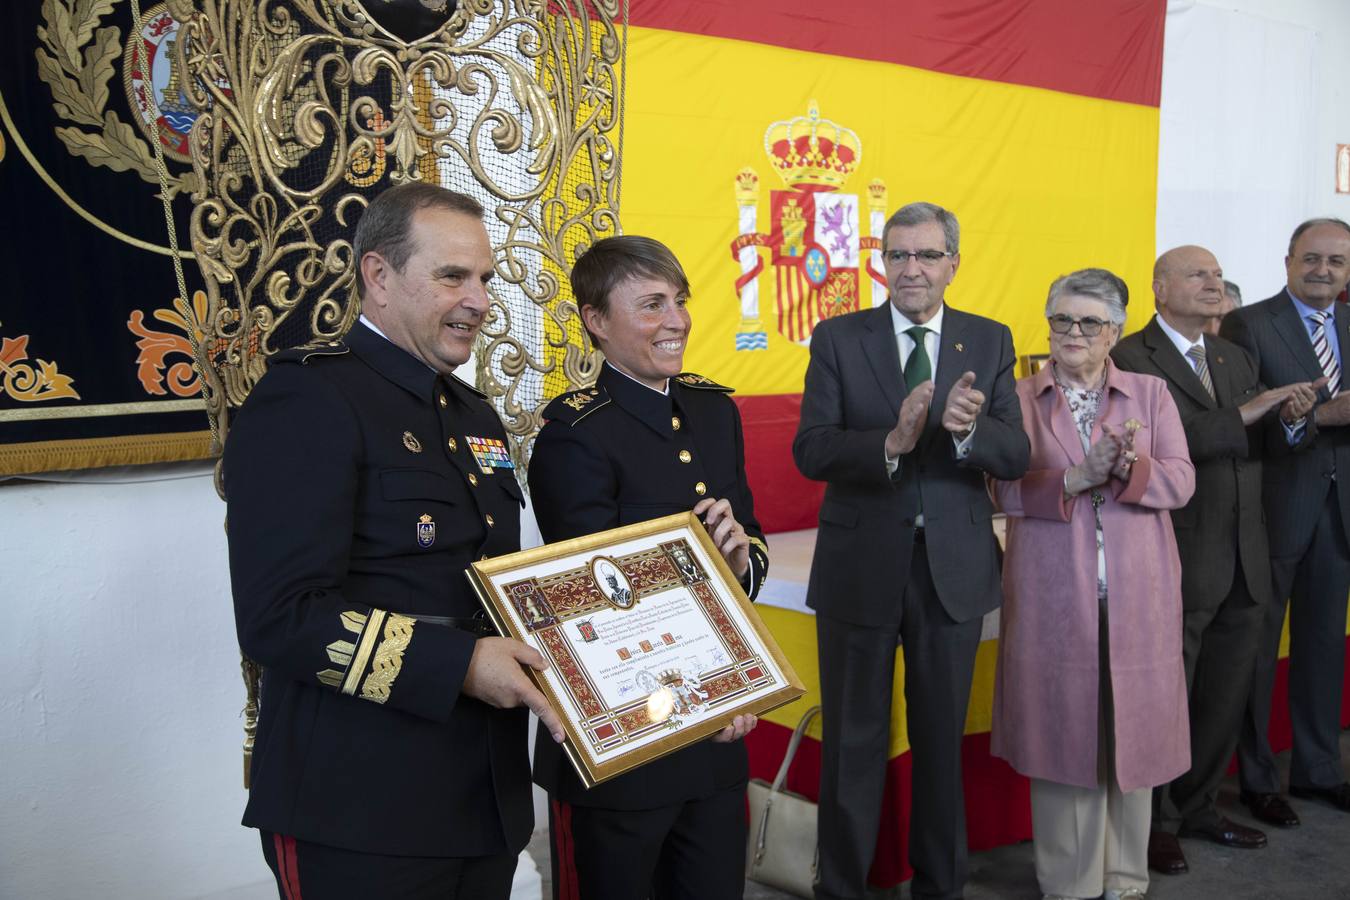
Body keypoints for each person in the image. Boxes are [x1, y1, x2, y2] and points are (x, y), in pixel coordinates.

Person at [224, 183, 565, 899]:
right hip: (360, 807)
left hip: (482, 799)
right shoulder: (309, 399)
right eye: (453, 276)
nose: (479, 300)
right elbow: (280, 617)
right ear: (378, 276)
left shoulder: (473, 415)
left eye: (485, 279)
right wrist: (462, 665)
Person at [794, 202, 1030, 900]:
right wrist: (890, 443)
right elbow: (812, 448)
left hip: (952, 571)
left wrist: (968, 432)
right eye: (898, 255)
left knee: (940, 743)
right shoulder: (838, 337)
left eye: (927, 255)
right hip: (860, 569)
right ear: (883, 263)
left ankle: (940, 886)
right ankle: (842, 888)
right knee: (852, 744)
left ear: (953, 262)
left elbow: (1016, 453)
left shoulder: (989, 339)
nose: (912, 269)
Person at [527, 235, 769, 900]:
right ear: (597, 321)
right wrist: (701, 697)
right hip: (625, 749)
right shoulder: (575, 435)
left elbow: (748, 540)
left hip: (716, 741)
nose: (677, 320)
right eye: (652, 304)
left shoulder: (714, 412)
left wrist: (737, 567)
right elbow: (588, 608)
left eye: (680, 301)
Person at [1112, 247, 1319, 876]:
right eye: (1197, 274)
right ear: (1159, 288)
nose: (1213, 283)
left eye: (1217, 274)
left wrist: (1290, 419)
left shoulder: (1232, 355)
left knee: (1224, 695)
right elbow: (1150, 447)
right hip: (1175, 553)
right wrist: (1246, 413)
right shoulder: (1129, 357)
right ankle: (1154, 823)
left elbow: (1265, 440)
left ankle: (1199, 806)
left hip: (1244, 554)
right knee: (1165, 696)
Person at [992, 267, 1196, 900]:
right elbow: (996, 488)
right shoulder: (1018, 397)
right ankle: (1070, 883)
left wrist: (1128, 466)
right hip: (1051, 591)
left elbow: (1182, 481)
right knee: (1063, 733)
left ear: (1115, 332)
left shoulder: (1151, 393)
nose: (1073, 332)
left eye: (1089, 322)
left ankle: (1125, 878)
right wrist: (1074, 479)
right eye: (1062, 319)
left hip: (1140, 592)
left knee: (1135, 731)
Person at [1223, 217, 1350, 821]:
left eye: (1336, 261)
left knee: (1324, 646)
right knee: (1256, 648)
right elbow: (1239, 419)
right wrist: (1318, 417)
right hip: (1273, 508)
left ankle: (1318, 771)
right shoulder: (1249, 324)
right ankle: (1257, 780)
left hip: (1339, 512)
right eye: (1312, 259)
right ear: (1288, 261)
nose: (1323, 270)